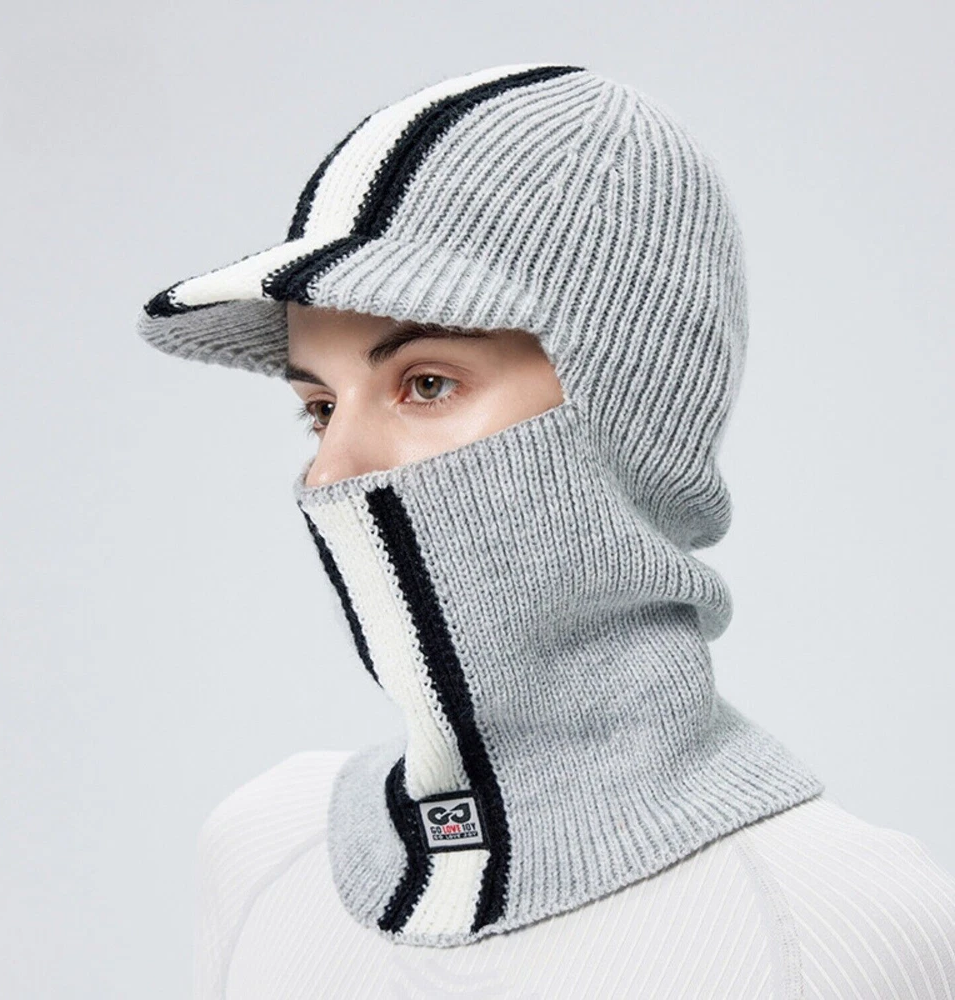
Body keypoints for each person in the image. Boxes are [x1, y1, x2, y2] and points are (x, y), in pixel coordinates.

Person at [137, 63, 955, 998]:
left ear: (631, 419)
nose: (331, 470)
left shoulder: (837, 922)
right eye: (319, 407)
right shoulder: (264, 855)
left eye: (426, 383)